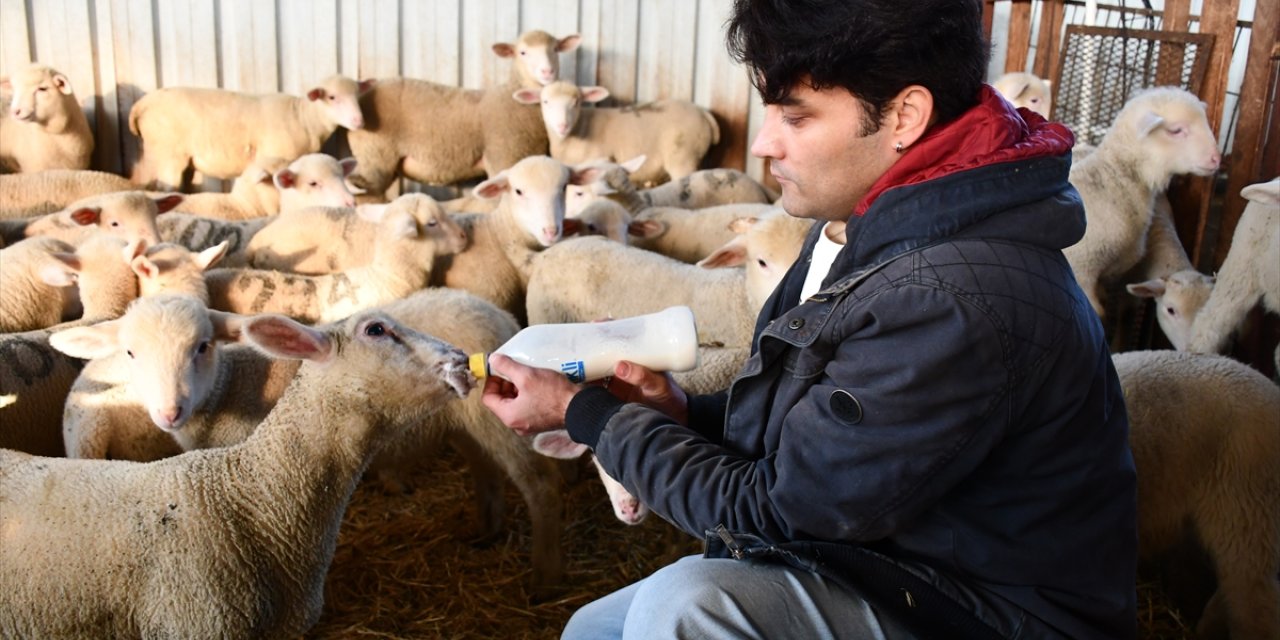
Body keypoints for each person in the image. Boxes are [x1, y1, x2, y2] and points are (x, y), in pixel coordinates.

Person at [481, 0, 1138, 638]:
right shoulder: (865, 227)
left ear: (905, 114)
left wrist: (586, 416)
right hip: (898, 562)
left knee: (688, 608)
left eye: (795, 117)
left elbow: (779, 510)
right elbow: (825, 435)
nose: (764, 144)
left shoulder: (951, 294)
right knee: (595, 628)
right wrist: (683, 413)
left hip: (985, 608)